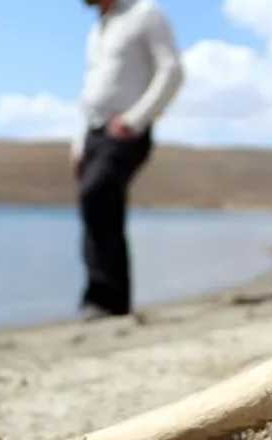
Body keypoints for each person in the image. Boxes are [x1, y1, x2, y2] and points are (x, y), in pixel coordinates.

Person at [72, 0, 184, 318]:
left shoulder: (145, 13)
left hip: (126, 130)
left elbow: (171, 70)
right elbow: (90, 90)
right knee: (95, 206)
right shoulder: (97, 30)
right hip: (93, 133)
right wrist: (79, 143)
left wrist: (136, 119)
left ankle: (107, 299)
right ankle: (106, 299)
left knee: (97, 194)